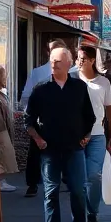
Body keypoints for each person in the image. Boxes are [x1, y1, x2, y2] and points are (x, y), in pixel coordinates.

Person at [25, 47, 96, 222]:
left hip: (74, 148)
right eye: (51, 60)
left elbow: (89, 117)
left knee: (78, 191)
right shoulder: (41, 89)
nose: (54, 64)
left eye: (58, 61)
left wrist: (87, 136)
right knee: (51, 193)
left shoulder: (79, 88)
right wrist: (38, 139)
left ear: (68, 63)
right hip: (50, 150)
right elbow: (28, 120)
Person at [21, 39, 76, 197]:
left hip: (43, 120)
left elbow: (25, 96)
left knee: (37, 152)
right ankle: (65, 178)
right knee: (65, 150)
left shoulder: (38, 72)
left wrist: (30, 113)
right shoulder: (70, 72)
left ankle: (33, 183)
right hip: (56, 120)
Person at [76, 46, 111, 222]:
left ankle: (92, 211)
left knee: (94, 176)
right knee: (78, 178)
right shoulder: (72, 79)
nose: (80, 61)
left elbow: (110, 111)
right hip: (75, 136)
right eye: (77, 58)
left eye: (83, 58)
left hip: (97, 135)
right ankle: (79, 215)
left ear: (92, 60)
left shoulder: (103, 83)